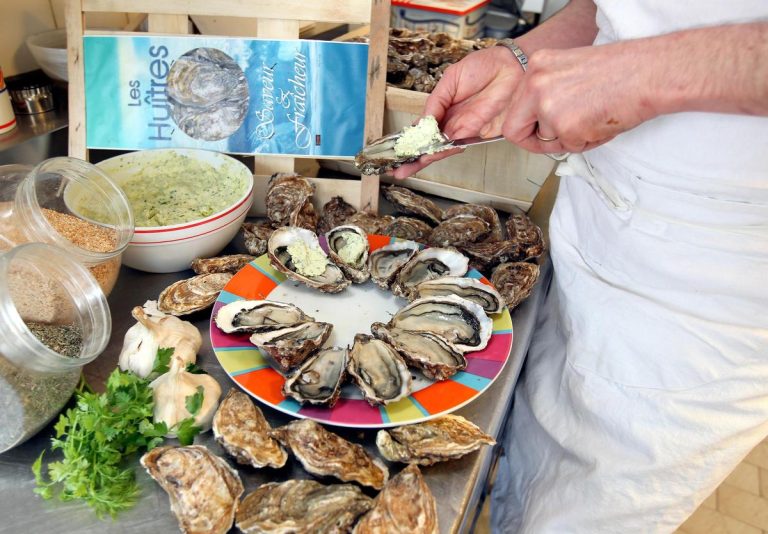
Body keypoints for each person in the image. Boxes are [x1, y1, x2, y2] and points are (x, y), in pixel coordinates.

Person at [393, 1, 768, 531]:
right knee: (524, 476)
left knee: (582, 513)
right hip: (589, 215)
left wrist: (642, 72)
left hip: (711, 287)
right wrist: (524, 57)